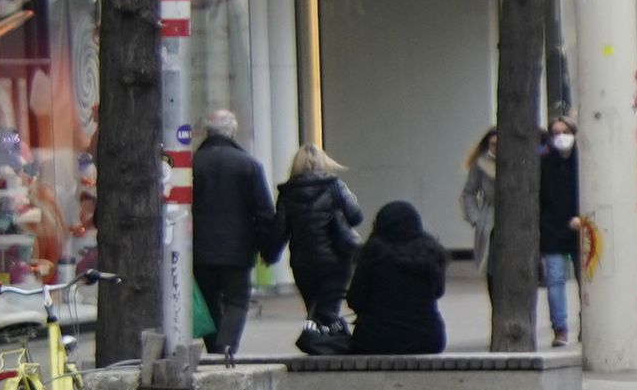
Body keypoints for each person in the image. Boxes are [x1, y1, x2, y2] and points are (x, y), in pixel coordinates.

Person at [188, 107, 279, 357]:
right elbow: (264, 212)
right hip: (238, 249)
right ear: (233, 132)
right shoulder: (248, 164)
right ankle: (227, 347)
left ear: (207, 132)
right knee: (236, 300)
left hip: (199, 249)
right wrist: (267, 249)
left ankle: (215, 348)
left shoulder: (192, 164)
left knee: (208, 303)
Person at [275, 142, 363, 336]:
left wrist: (270, 253)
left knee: (315, 308)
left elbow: (280, 230)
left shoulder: (287, 193)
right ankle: (336, 343)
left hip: (303, 261)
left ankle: (321, 342)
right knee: (329, 309)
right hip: (336, 258)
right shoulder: (334, 185)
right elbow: (356, 217)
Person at [346, 200, 453, 355]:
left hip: (377, 339)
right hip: (428, 338)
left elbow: (355, 300)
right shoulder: (431, 253)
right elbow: (438, 292)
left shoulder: (373, 254)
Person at [536, 115, 583, 347]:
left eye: (565, 131)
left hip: (581, 229)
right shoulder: (544, 163)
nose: (561, 137)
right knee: (555, 279)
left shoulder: (585, 161)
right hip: (553, 229)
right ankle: (560, 328)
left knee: (587, 280)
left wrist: (582, 218)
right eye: (555, 133)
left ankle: (588, 323)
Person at [458, 128, 500, 287]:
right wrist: (476, 218)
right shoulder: (481, 163)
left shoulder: (519, 164)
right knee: (492, 267)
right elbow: (468, 193)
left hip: (516, 221)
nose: (496, 148)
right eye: (493, 144)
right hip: (490, 219)